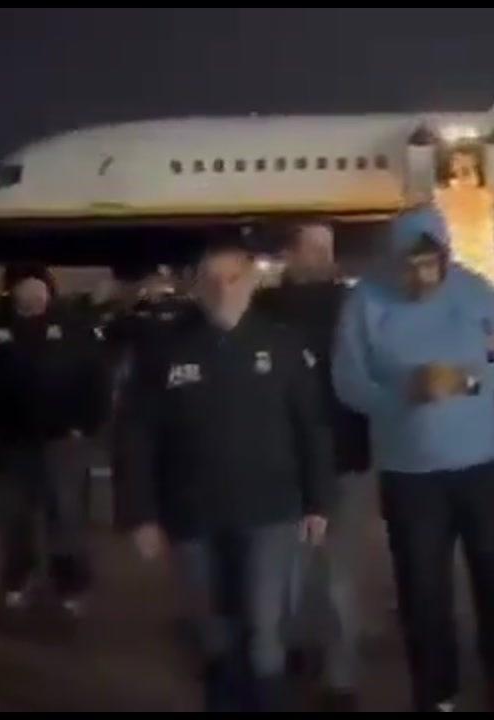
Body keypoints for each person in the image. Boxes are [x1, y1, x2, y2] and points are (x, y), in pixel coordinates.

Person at [114, 236, 333, 712]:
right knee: (214, 632)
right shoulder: (162, 349)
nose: (223, 289)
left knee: (263, 630)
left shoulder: (282, 342)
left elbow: (312, 427)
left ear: (252, 280)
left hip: (272, 510)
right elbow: (135, 436)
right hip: (193, 514)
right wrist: (140, 513)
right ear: (194, 287)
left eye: (233, 278)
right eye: (211, 280)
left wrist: (318, 501)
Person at [332, 205, 494, 712]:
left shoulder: (475, 292)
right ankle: (437, 694)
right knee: (423, 594)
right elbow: (348, 382)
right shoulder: (365, 302)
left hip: (483, 468)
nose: (421, 277)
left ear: (444, 256)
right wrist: (402, 394)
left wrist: (471, 380)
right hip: (411, 477)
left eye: (429, 264)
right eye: (409, 265)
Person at [253, 221, 369, 711]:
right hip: (288, 458)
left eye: (328, 248)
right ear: (291, 253)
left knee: (336, 573)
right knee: (293, 568)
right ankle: (304, 651)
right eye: (313, 248)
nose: (322, 256)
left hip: (341, 456)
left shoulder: (353, 305)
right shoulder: (266, 308)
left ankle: (340, 675)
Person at [0, 265, 107, 614]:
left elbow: (97, 378)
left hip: (62, 440)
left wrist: (85, 424)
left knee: (66, 516)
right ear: (12, 293)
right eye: (26, 290)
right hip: (8, 442)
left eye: (40, 290)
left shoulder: (73, 327)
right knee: (12, 517)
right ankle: (19, 575)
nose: (34, 297)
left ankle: (70, 582)